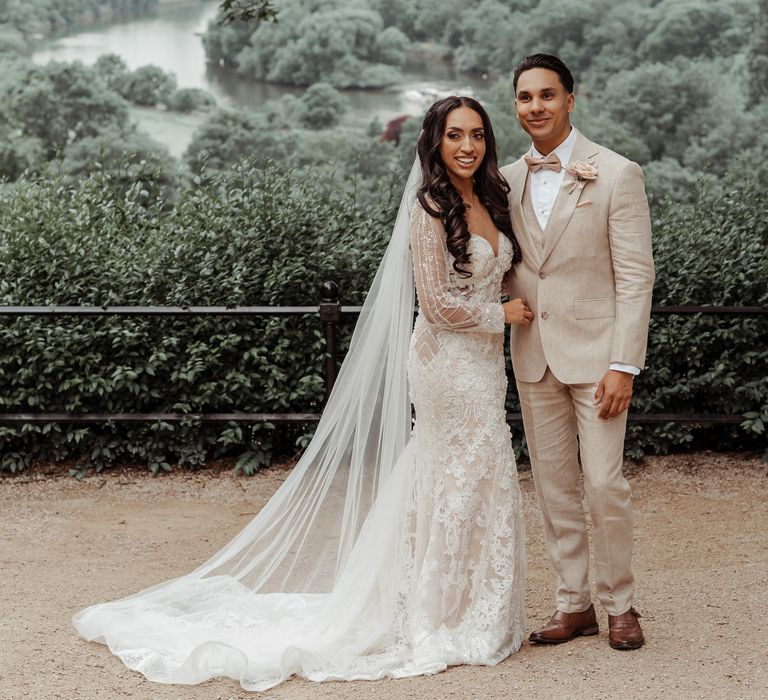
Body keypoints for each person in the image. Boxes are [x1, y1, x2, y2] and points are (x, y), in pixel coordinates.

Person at [73, 96, 532, 692]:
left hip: (482, 367)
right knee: (454, 470)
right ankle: (434, 610)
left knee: (478, 470)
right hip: (447, 364)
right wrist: (502, 315)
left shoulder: (490, 196)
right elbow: (438, 305)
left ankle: (473, 604)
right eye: (454, 136)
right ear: (435, 143)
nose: (467, 146)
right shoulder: (429, 207)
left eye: (476, 135)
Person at [500, 54, 655, 650]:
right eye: (524, 98)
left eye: (546, 95)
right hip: (534, 354)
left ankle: (621, 604)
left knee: (604, 484)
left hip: (599, 361)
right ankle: (573, 604)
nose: (534, 107)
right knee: (553, 485)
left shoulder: (616, 173)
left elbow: (636, 277)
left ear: (570, 99)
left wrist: (624, 363)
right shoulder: (506, 180)